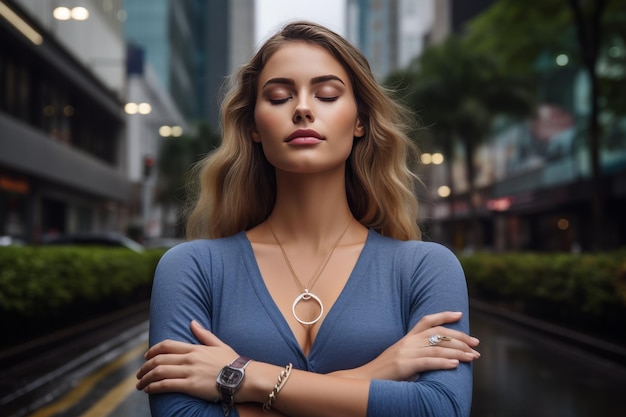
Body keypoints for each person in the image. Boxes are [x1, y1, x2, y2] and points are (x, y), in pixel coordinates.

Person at [136, 21, 480, 417]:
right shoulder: (193, 268)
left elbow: (440, 409)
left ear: (360, 121)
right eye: (279, 97)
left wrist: (244, 377)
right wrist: (378, 372)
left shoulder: (425, 268)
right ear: (253, 127)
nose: (302, 108)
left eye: (327, 94)